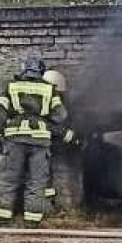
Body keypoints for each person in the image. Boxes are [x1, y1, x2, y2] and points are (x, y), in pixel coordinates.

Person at [0, 57, 74, 226]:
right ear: (41, 72)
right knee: (37, 182)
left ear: (24, 70)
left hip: (15, 139)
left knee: (9, 178)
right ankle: (32, 222)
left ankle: (2, 219)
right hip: (40, 142)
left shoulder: (11, 86)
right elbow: (61, 115)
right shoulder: (49, 90)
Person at [41, 69, 77, 213]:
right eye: (58, 94)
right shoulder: (39, 103)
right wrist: (67, 135)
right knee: (38, 179)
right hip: (33, 146)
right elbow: (46, 124)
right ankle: (40, 210)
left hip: (40, 146)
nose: (59, 98)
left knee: (45, 178)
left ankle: (47, 208)